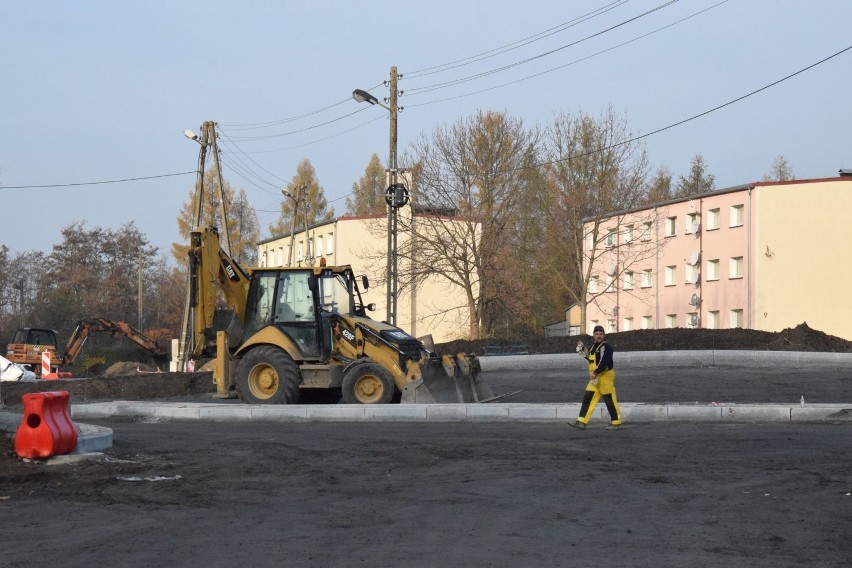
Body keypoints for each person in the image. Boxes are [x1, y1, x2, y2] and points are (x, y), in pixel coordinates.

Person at [568, 325, 622, 430]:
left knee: (609, 400)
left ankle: (616, 422)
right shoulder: (594, 346)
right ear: (593, 335)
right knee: (588, 397)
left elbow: (604, 361)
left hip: (605, 377)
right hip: (595, 378)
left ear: (604, 335)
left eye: (600, 334)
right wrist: (582, 349)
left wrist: (596, 372)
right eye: (597, 334)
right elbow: (591, 358)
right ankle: (582, 421)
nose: (599, 336)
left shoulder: (606, 347)